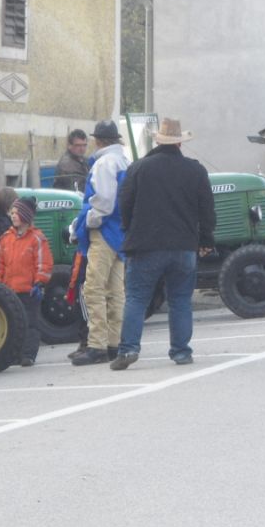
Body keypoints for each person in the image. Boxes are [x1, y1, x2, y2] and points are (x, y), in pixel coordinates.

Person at [110, 117, 216, 370]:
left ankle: (128, 350)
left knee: (136, 298)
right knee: (180, 300)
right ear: (179, 142)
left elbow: (124, 205)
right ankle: (181, 352)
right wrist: (205, 240)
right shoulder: (196, 170)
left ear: (157, 140)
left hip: (145, 245)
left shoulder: (138, 168)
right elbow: (207, 210)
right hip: (183, 247)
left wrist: (128, 230)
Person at [69, 120, 130, 366]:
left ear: (99, 140)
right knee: (116, 292)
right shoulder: (124, 161)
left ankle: (97, 345)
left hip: (104, 231)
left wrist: (86, 222)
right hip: (121, 234)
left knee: (93, 288)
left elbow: (103, 201)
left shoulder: (104, 163)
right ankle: (114, 343)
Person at [0, 196, 53, 367]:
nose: (13, 216)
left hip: (28, 291)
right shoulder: (5, 239)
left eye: (17, 213)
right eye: (12, 213)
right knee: (12, 325)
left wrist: (39, 283)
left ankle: (28, 354)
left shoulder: (37, 238)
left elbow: (44, 263)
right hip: (9, 292)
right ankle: (14, 354)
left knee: (30, 323)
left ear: (26, 216)